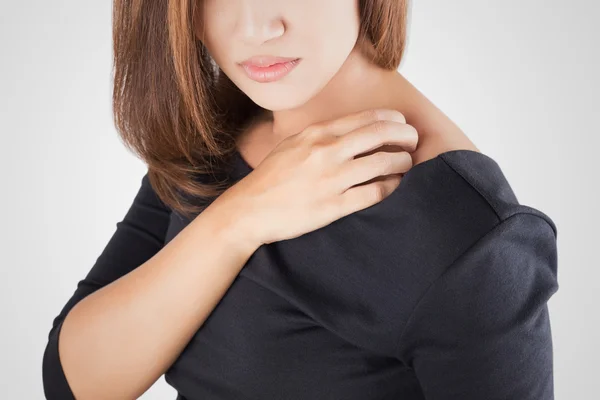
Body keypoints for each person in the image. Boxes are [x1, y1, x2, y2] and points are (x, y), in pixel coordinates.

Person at [42, 1, 559, 399]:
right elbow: (77, 380)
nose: (255, 26)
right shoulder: (217, 133)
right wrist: (239, 219)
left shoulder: (468, 239)